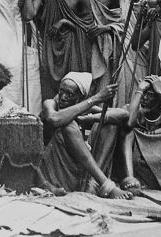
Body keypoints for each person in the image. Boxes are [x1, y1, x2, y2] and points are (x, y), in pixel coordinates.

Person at [37, 71, 132, 199]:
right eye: (61, 91)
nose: (63, 97)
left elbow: (123, 114)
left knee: (110, 124)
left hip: (77, 172)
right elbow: (55, 119)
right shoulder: (50, 104)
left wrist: (88, 119)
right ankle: (106, 185)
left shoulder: (82, 109)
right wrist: (95, 99)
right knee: (68, 125)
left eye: (69, 94)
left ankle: (91, 184)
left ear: (80, 98)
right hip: (53, 173)